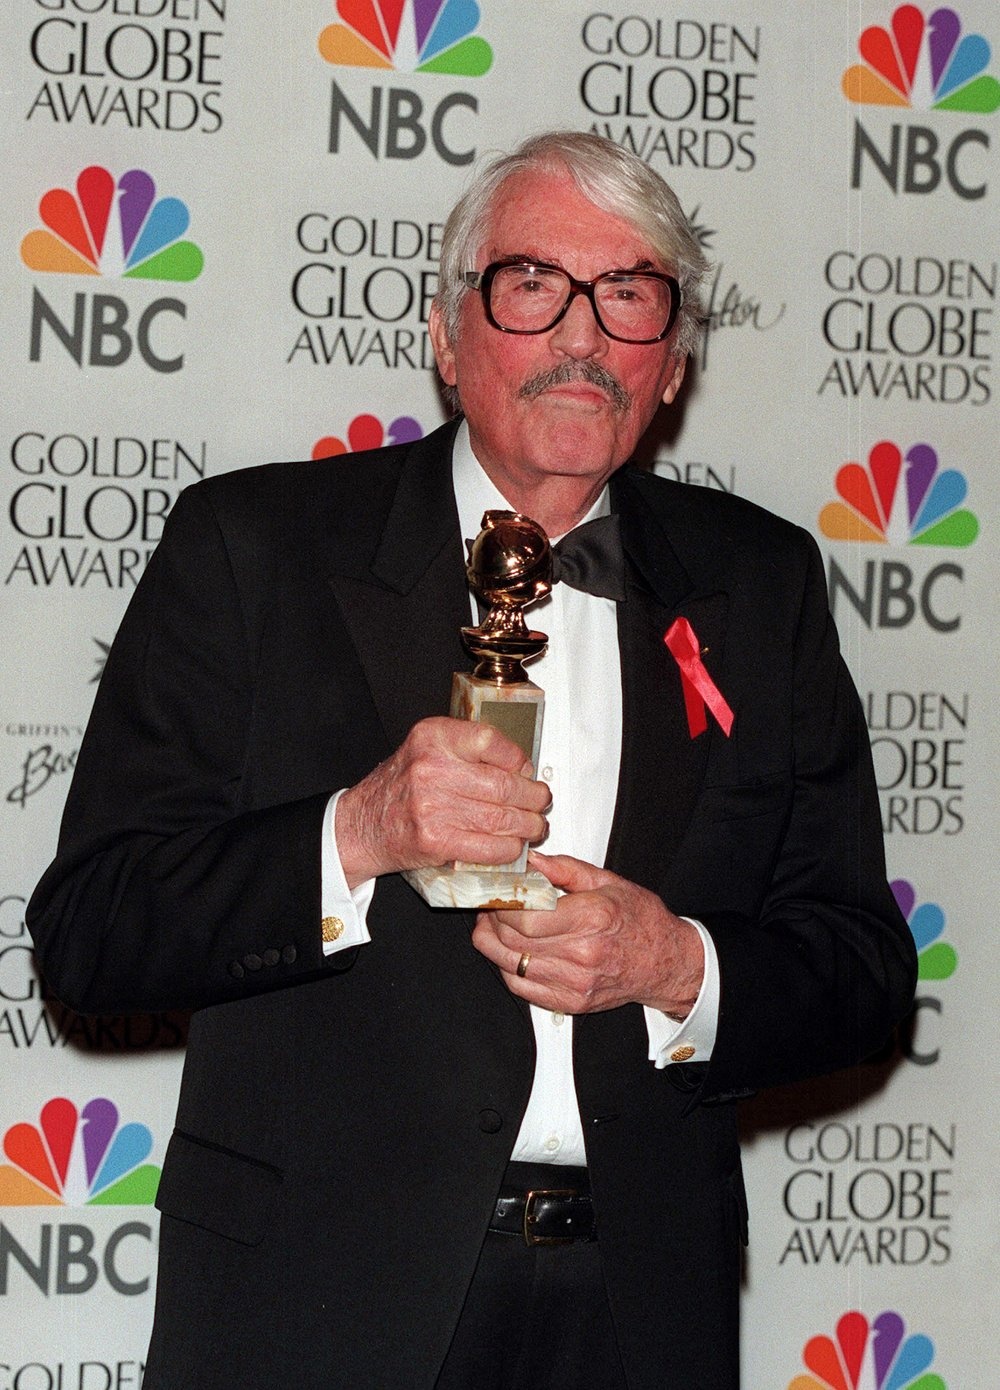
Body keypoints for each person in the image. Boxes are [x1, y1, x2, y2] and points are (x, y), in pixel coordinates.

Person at [28, 131, 916, 1389]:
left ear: (670, 366)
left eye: (631, 295)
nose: (583, 337)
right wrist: (356, 832)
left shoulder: (759, 586)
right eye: (531, 285)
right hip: (317, 1304)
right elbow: (90, 932)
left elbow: (863, 971)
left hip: (642, 1310)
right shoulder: (254, 548)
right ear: (448, 336)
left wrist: (680, 966)